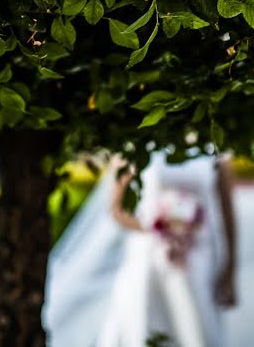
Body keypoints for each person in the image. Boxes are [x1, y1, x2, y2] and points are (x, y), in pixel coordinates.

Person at [45, 148, 238, 347]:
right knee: (145, 323)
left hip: (198, 259)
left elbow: (227, 211)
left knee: (197, 327)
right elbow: (116, 209)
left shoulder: (215, 147)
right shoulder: (139, 143)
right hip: (149, 258)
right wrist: (157, 226)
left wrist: (230, 268)